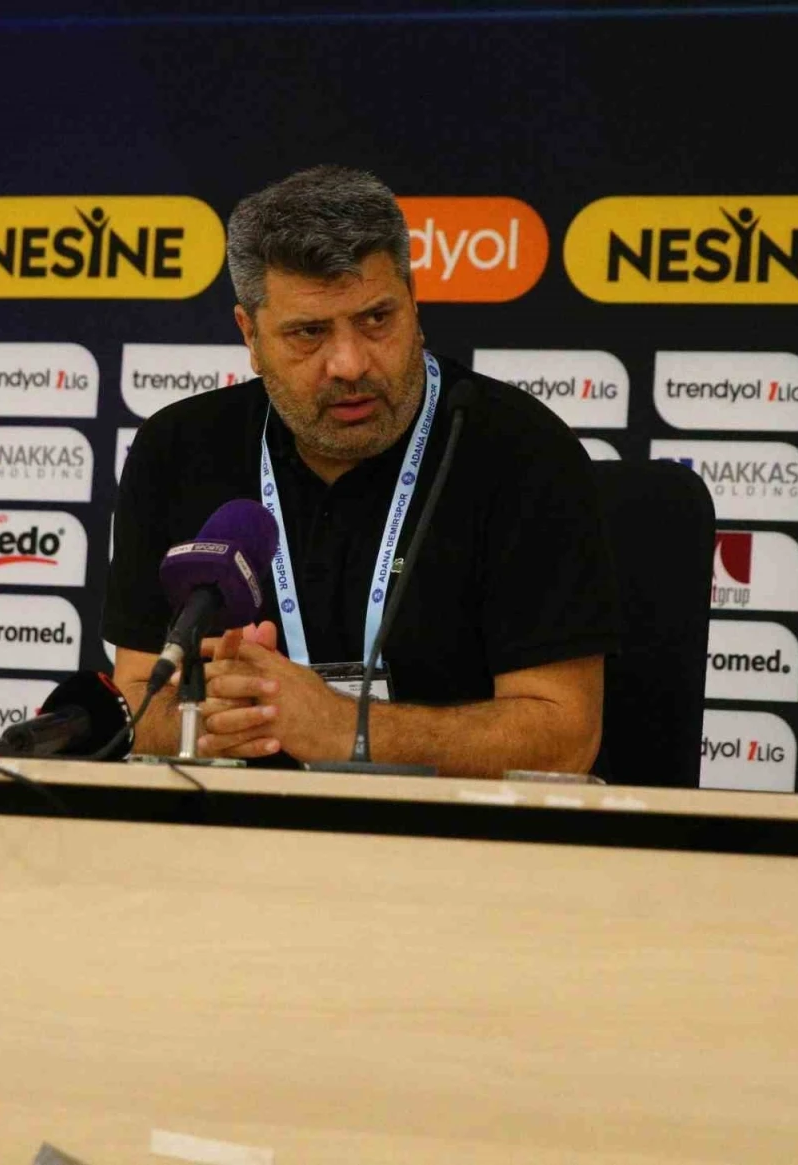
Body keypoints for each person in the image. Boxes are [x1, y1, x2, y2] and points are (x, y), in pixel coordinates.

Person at [103, 165, 619, 775]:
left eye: (376, 319)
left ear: (414, 302)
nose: (349, 364)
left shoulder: (522, 450)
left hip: (448, 828)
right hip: (243, 824)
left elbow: (565, 737)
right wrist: (223, 720)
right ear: (251, 335)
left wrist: (343, 728)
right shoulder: (176, 449)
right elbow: (137, 699)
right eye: (309, 332)